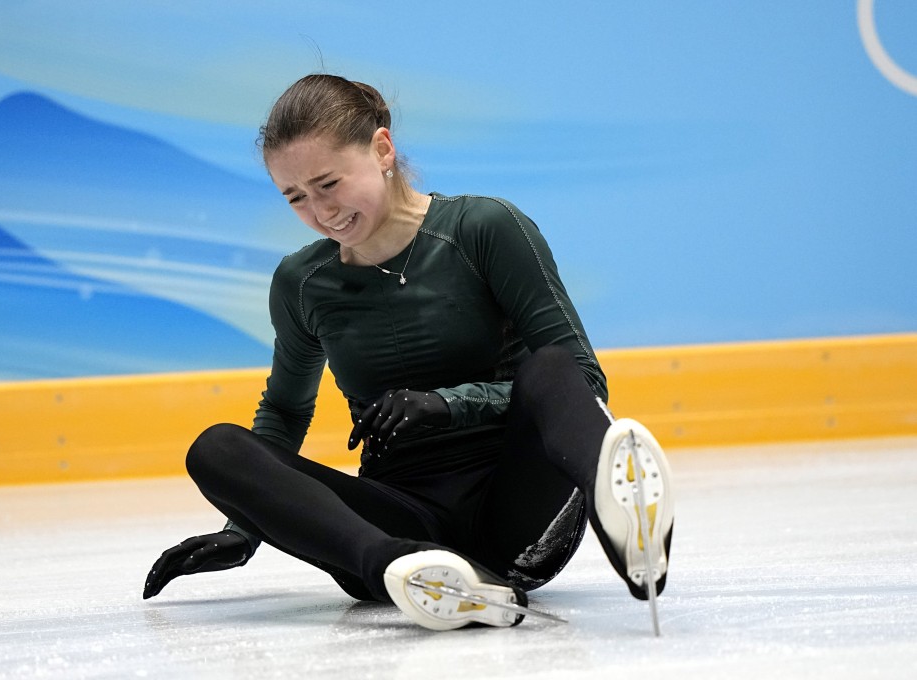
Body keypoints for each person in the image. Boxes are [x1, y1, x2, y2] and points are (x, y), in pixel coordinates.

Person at [143, 74, 674, 631]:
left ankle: (628, 519)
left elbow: (584, 381)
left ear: (381, 149)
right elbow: (284, 411)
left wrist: (450, 403)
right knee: (217, 449)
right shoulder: (302, 282)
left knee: (551, 367)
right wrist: (244, 524)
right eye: (295, 196)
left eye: (328, 183)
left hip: (516, 506)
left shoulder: (484, 229)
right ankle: (406, 571)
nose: (320, 212)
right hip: (398, 516)